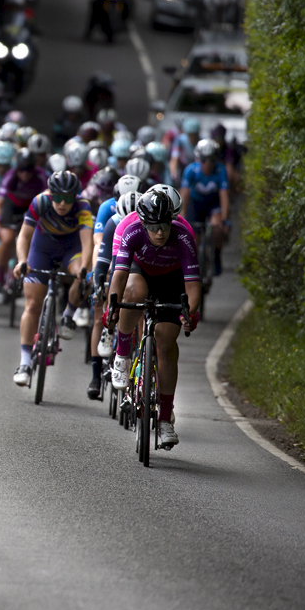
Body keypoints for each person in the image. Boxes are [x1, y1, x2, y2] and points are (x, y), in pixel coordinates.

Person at [107, 189, 201, 448]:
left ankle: (164, 420)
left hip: (172, 279)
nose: (160, 232)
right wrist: (111, 308)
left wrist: (189, 314)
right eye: (153, 227)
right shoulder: (132, 231)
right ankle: (122, 355)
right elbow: (119, 277)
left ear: (172, 220)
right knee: (132, 291)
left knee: (166, 342)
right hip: (141, 272)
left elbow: (193, 286)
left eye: (164, 226)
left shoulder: (183, 236)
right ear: (143, 223)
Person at [11, 171, 94, 386]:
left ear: (75, 196)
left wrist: (85, 268)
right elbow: (24, 236)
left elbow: (87, 242)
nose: (62, 203)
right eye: (58, 197)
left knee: (83, 273)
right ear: (51, 194)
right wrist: (22, 261)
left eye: (68, 198)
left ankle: (69, 314)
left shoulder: (82, 206)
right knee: (32, 305)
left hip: (70, 248)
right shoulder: (40, 201)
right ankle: (25, 362)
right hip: (42, 249)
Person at [87, 188, 141, 398]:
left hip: (138, 268)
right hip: (117, 266)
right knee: (101, 309)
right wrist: (99, 283)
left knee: (140, 302)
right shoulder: (113, 223)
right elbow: (102, 256)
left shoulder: (148, 227)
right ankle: (95, 376)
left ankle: (143, 356)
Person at [0, 148, 48, 305]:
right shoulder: (11, 176)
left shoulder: (41, 177)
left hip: (31, 208)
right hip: (12, 207)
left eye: (28, 170)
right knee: (7, 239)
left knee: (30, 239)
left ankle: (17, 274)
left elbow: (47, 203)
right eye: (21, 171)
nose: (24, 174)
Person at [179, 138, 231, 274]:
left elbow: (224, 196)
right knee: (194, 238)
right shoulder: (190, 170)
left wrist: (224, 219)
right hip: (195, 204)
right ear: (199, 159)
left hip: (213, 204)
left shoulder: (221, 171)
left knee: (217, 228)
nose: (207, 164)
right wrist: (182, 217)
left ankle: (217, 254)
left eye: (211, 160)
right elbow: (184, 195)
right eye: (204, 160)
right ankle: (194, 265)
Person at [169, 117, 202, 184]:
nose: (193, 138)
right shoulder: (180, 140)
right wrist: (173, 174)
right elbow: (174, 158)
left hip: (199, 168)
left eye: (195, 135)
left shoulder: (202, 142)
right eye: (190, 135)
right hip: (183, 167)